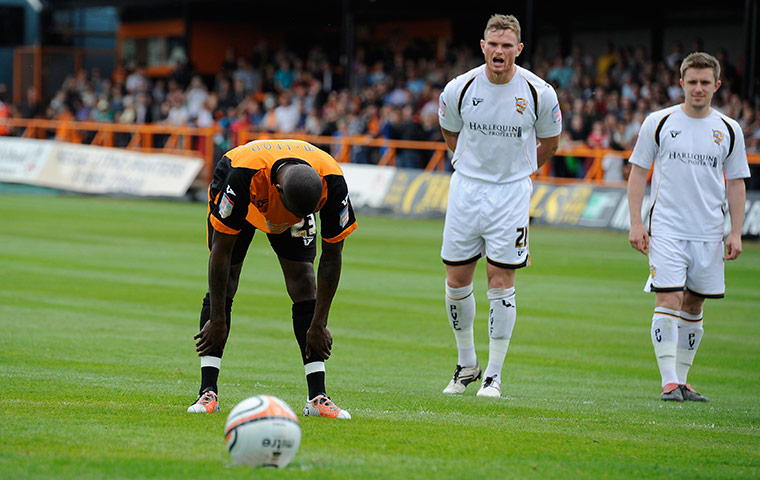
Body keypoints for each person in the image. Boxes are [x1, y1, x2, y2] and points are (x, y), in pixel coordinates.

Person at [437, 14, 562, 398]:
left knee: (500, 278)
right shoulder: (459, 89)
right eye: (493, 44)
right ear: (483, 46)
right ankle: (466, 364)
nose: (499, 51)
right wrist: (472, 167)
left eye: (507, 45)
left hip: (510, 193)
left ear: (518, 50)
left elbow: (551, 143)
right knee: (456, 279)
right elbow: (449, 132)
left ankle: (493, 374)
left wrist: (516, 172)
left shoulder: (540, 93)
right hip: (466, 190)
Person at [188, 138, 358, 419]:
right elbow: (220, 253)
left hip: (292, 194)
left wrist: (319, 323)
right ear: (278, 191)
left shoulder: (332, 179)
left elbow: (331, 256)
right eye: (294, 214)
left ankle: (317, 398)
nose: (296, 219)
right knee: (229, 276)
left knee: (304, 281)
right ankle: (208, 393)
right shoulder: (241, 174)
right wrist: (217, 317)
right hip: (247, 191)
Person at [627, 52, 750, 402]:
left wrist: (735, 231)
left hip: (709, 231)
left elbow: (736, 182)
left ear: (717, 85)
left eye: (705, 83)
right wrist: (637, 222)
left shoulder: (729, 129)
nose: (698, 88)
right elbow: (638, 172)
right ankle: (668, 381)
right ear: (681, 83)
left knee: (695, 304)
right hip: (666, 228)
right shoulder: (659, 121)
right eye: (692, 82)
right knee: (669, 297)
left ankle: (682, 380)